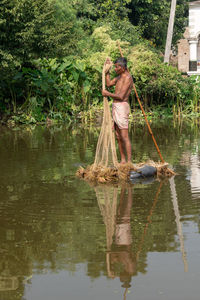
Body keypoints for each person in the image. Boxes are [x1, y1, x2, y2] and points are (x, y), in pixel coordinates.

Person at [102, 57, 133, 164]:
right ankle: (123, 160)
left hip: (122, 107)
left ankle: (129, 162)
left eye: (117, 67)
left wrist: (107, 94)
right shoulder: (119, 77)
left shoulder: (127, 78)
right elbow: (109, 84)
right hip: (115, 107)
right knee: (118, 136)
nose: (115, 69)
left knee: (124, 136)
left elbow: (120, 96)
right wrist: (107, 71)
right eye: (115, 67)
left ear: (123, 68)